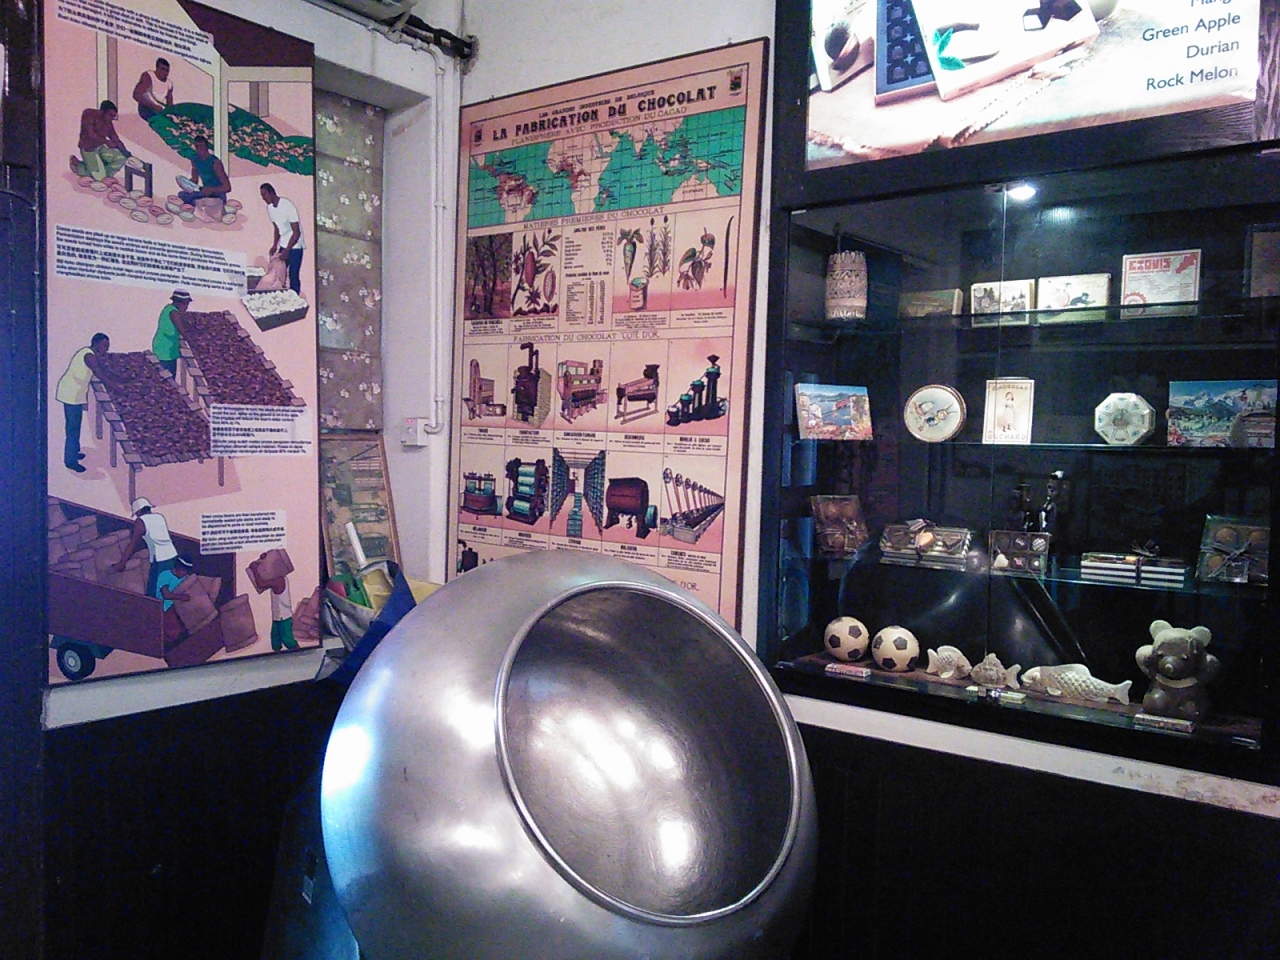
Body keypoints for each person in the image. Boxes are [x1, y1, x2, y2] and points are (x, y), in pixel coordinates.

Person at [54, 333, 109, 473]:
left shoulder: (91, 354)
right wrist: (117, 387)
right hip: (70, 394)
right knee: (73, 428)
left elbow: (103, 371)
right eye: (104, 346)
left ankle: (74, 451)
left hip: (76, 394)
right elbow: (100, 374)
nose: (106, 349)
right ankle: (70, 461)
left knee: (75, 425)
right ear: (96, 343)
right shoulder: (89, 356)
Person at [115, 498, 179, 600]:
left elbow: (133, 544)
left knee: (153, 593)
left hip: (160, 559)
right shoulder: (159, 517)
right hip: (172, 555)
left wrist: (122, 563)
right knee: (168, 588)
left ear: (138, 511)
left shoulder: (140, 521)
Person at [69, 100, 131, 182]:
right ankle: (79, 167)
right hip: (88, 148)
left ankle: (98, 172)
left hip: (101, 148)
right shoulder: (89, 113)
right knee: (100, 178)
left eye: (113, 117)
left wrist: (126, 152)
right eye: (110, 115)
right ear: (102, 111)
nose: (111, 119)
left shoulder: (108, 123)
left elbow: (115, 138)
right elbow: (90, 134)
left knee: (121, 158)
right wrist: (106, 142)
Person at [260, 183, 305, 294]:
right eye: (262, 195)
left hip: (295, 245)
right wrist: (275, 245)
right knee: (280, 274)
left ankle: (295, 298)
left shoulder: (287, 206)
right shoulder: (270, 208)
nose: (263, 198)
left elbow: (296, 232)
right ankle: (283, 297)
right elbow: (277, 228)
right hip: (284, 244)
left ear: (271, 193)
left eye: (264, 194)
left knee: (293, 275)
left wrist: (287, 250)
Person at [176, 136, 231, 206]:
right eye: (197, 146)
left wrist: (211, 189)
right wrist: (186, 184)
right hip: (204, 192)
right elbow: (194, 180)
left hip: (217, 194)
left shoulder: (215, 162)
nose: (200, 149)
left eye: (202, 146)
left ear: (206, 147)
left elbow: (227, 188)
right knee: (182, 195)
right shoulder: (195, 160)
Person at [152, 290, 192, 377]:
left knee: (170, 374)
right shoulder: (173, 313)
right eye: (185, 304)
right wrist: (193, 343)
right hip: (164, 348)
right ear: (178, 303)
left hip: (169, 348)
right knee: (167, 376)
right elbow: (181, 330)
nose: (186, 307)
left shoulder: (169, 309)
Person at [262, 569, 298, 652]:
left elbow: (261, 584)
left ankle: (299, 654)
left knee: (288, 640)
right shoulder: (277, 578)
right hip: (277, 617)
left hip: (284, 617)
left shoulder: (279, 580)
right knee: (275, 641)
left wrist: (254, 570)